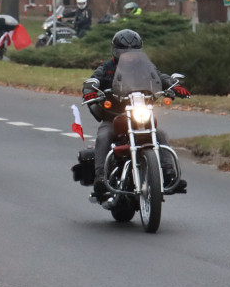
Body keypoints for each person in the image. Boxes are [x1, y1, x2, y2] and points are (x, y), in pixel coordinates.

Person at [81, 29, 189, 200]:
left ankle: (169, 173)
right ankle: (100, 177)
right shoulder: (107, 68)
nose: (128, 56)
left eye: (132, 52)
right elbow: (94, 80)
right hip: (114, 115)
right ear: (115, 51)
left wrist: (172, 85)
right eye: (124, 52)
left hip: (140, 112)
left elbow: (159, 77)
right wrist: (91, 89)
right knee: (104, 135)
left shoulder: (145, 67)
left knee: (160, 134)